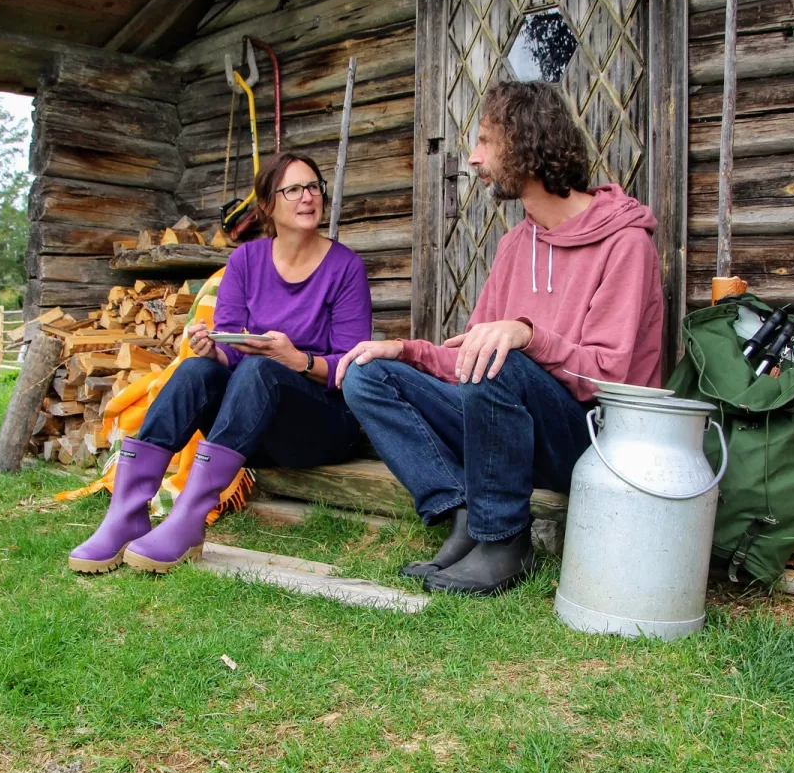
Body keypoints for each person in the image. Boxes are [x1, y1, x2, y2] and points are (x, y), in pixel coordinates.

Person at [337, 81, 664, 596]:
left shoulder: (626, 243)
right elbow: (473, 352)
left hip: (593, 438)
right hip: (509, 428)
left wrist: (528, 337)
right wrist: (403, 350)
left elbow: (610, 376)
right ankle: (466, 513)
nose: (472, 158)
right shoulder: (517, 243)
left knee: (503, 359)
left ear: (528, 142)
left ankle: (505, 541)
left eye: (486, 141)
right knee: (366, 376)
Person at [69, 151, 373, 575]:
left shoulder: (345, 268)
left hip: (320, 428)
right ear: (267, 205)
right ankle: (127, 513)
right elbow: (230, 345)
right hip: (249, 429)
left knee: (263, 368)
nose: (308, 197)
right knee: (195, 369)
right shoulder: (245, 262)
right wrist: (214, 350)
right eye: (293, 190)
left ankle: (188, 521)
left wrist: (296, 359)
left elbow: (351, 367)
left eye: (313, 187)